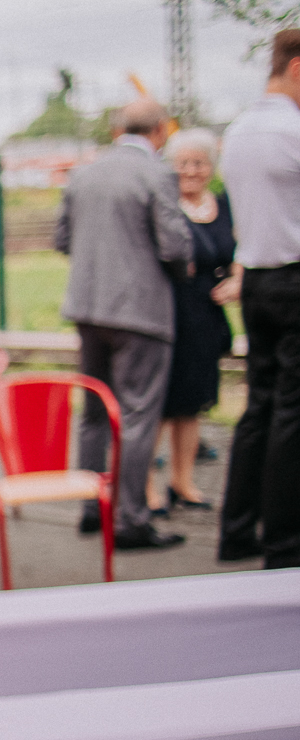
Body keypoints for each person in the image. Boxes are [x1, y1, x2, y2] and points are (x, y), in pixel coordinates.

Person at [56, 97, 193, 551]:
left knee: (94, 412)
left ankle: (91, 505)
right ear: (159, 131)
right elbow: (173, 246)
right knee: (137, 414)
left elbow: (62, 239)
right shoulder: (157, 173)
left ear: (118, 131)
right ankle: (131, 517)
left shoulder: (84, 172)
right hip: (139, 311)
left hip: (88, 307)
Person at [218, 29, 300, 568]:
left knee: (259, 406)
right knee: (292, 412)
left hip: (257, 281)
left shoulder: (238, 130)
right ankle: (285, 544)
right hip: (294, 276)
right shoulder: (293, 130)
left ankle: (237, 530)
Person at [143, 129, 233, 516]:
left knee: (192, 404)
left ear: (210, 167)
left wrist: (238, 280)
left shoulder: (224, 205)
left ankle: (183, 481)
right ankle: (146, 487)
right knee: (163, 405)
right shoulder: (164, 205)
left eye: (199, 163)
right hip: (170, 312)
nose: (192, 171)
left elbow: (241, 248)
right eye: (183, 164)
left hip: (207, 315)